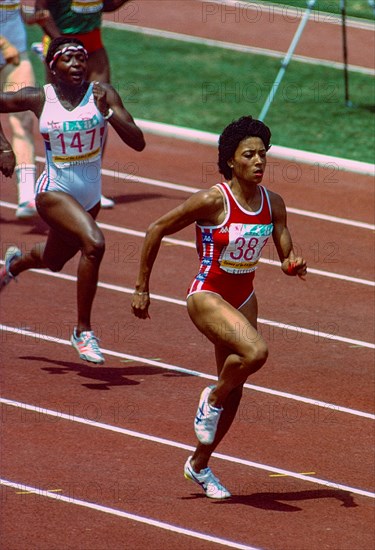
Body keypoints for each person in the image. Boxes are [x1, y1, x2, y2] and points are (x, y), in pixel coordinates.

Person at [131, 115, 307, 499]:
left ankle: (199, 464)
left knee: (237, 389)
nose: (259, 161)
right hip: (207, 295)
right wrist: (143, 287)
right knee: (256, 352)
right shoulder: (213, 200)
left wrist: (294, 264)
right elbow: (155, 228)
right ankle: (210, 398)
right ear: (231, 161)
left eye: (263, 154)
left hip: (244, 297)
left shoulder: (273, 204)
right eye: (250, 155)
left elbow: (286, 253)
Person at [0, 36, 145, 364]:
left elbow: (138, 142)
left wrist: (109, 115)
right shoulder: (39, 98)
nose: (78, 63)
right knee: (93, 244)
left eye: (82, 58)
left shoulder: (102, 95)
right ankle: (83, 331)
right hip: (53, 192)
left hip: (89, 197)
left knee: (53, 261)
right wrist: (4, 148)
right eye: (68, 58)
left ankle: (13, 264)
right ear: (53, 67)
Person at [33, 0, 133, 208]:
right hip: (61, 48)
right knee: (58, 110)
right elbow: (40, 11)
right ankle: (57, 180)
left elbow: (106, 5)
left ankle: (91, 180)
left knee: (99, 108)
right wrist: (63, 43)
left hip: (94, 46)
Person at [0, 1, 48, 219]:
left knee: (23, 120)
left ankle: (27, 196)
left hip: (16, 52)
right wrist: (3, 44)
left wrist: (30, 19)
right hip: (7, 48)